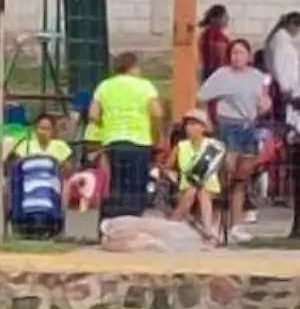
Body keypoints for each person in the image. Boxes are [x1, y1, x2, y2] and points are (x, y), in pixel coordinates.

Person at [198, 38, 270, 242]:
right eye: (234, 53)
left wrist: (264, 104)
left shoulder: (257, 77)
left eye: (241, 53)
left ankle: (235, 224)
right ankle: (216, 222)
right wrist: (208, 122)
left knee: (241, 178)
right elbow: (202, 97)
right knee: (226, 175)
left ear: (248, 56)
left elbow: (263, 102)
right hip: (228, 126)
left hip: (249, 126)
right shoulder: (222, 75)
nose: (237, 57)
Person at [87, 52, 161, 219]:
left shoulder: (104, 86)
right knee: (135, 185)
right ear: (134, 67)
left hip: (113, 141)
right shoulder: (144, 86)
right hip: (139, 141)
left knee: (115, 184)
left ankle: (113, 220)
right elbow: (157, 113)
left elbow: (93, 115)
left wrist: (105, 124)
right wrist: (155, 132)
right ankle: (133, 219)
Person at [170, 108, 227, 240]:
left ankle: (205, 229)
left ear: (204, 128)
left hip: (209, 184)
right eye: (188, 124)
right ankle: (177, 222)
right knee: (191, 190)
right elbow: (167, 166)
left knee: (202, 191)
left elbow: (221, 166)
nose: (190, 128)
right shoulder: (181, 146)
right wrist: (170, 176)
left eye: (195, 124)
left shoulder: (214, 147)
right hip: (186, 184)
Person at [198, 5, 231, 82]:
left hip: (208, 76)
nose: (227, 20)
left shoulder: (205, 35)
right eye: (225, 17)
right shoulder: (215, 36)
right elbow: (220, 59)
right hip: (217, 77)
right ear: (215, 19)